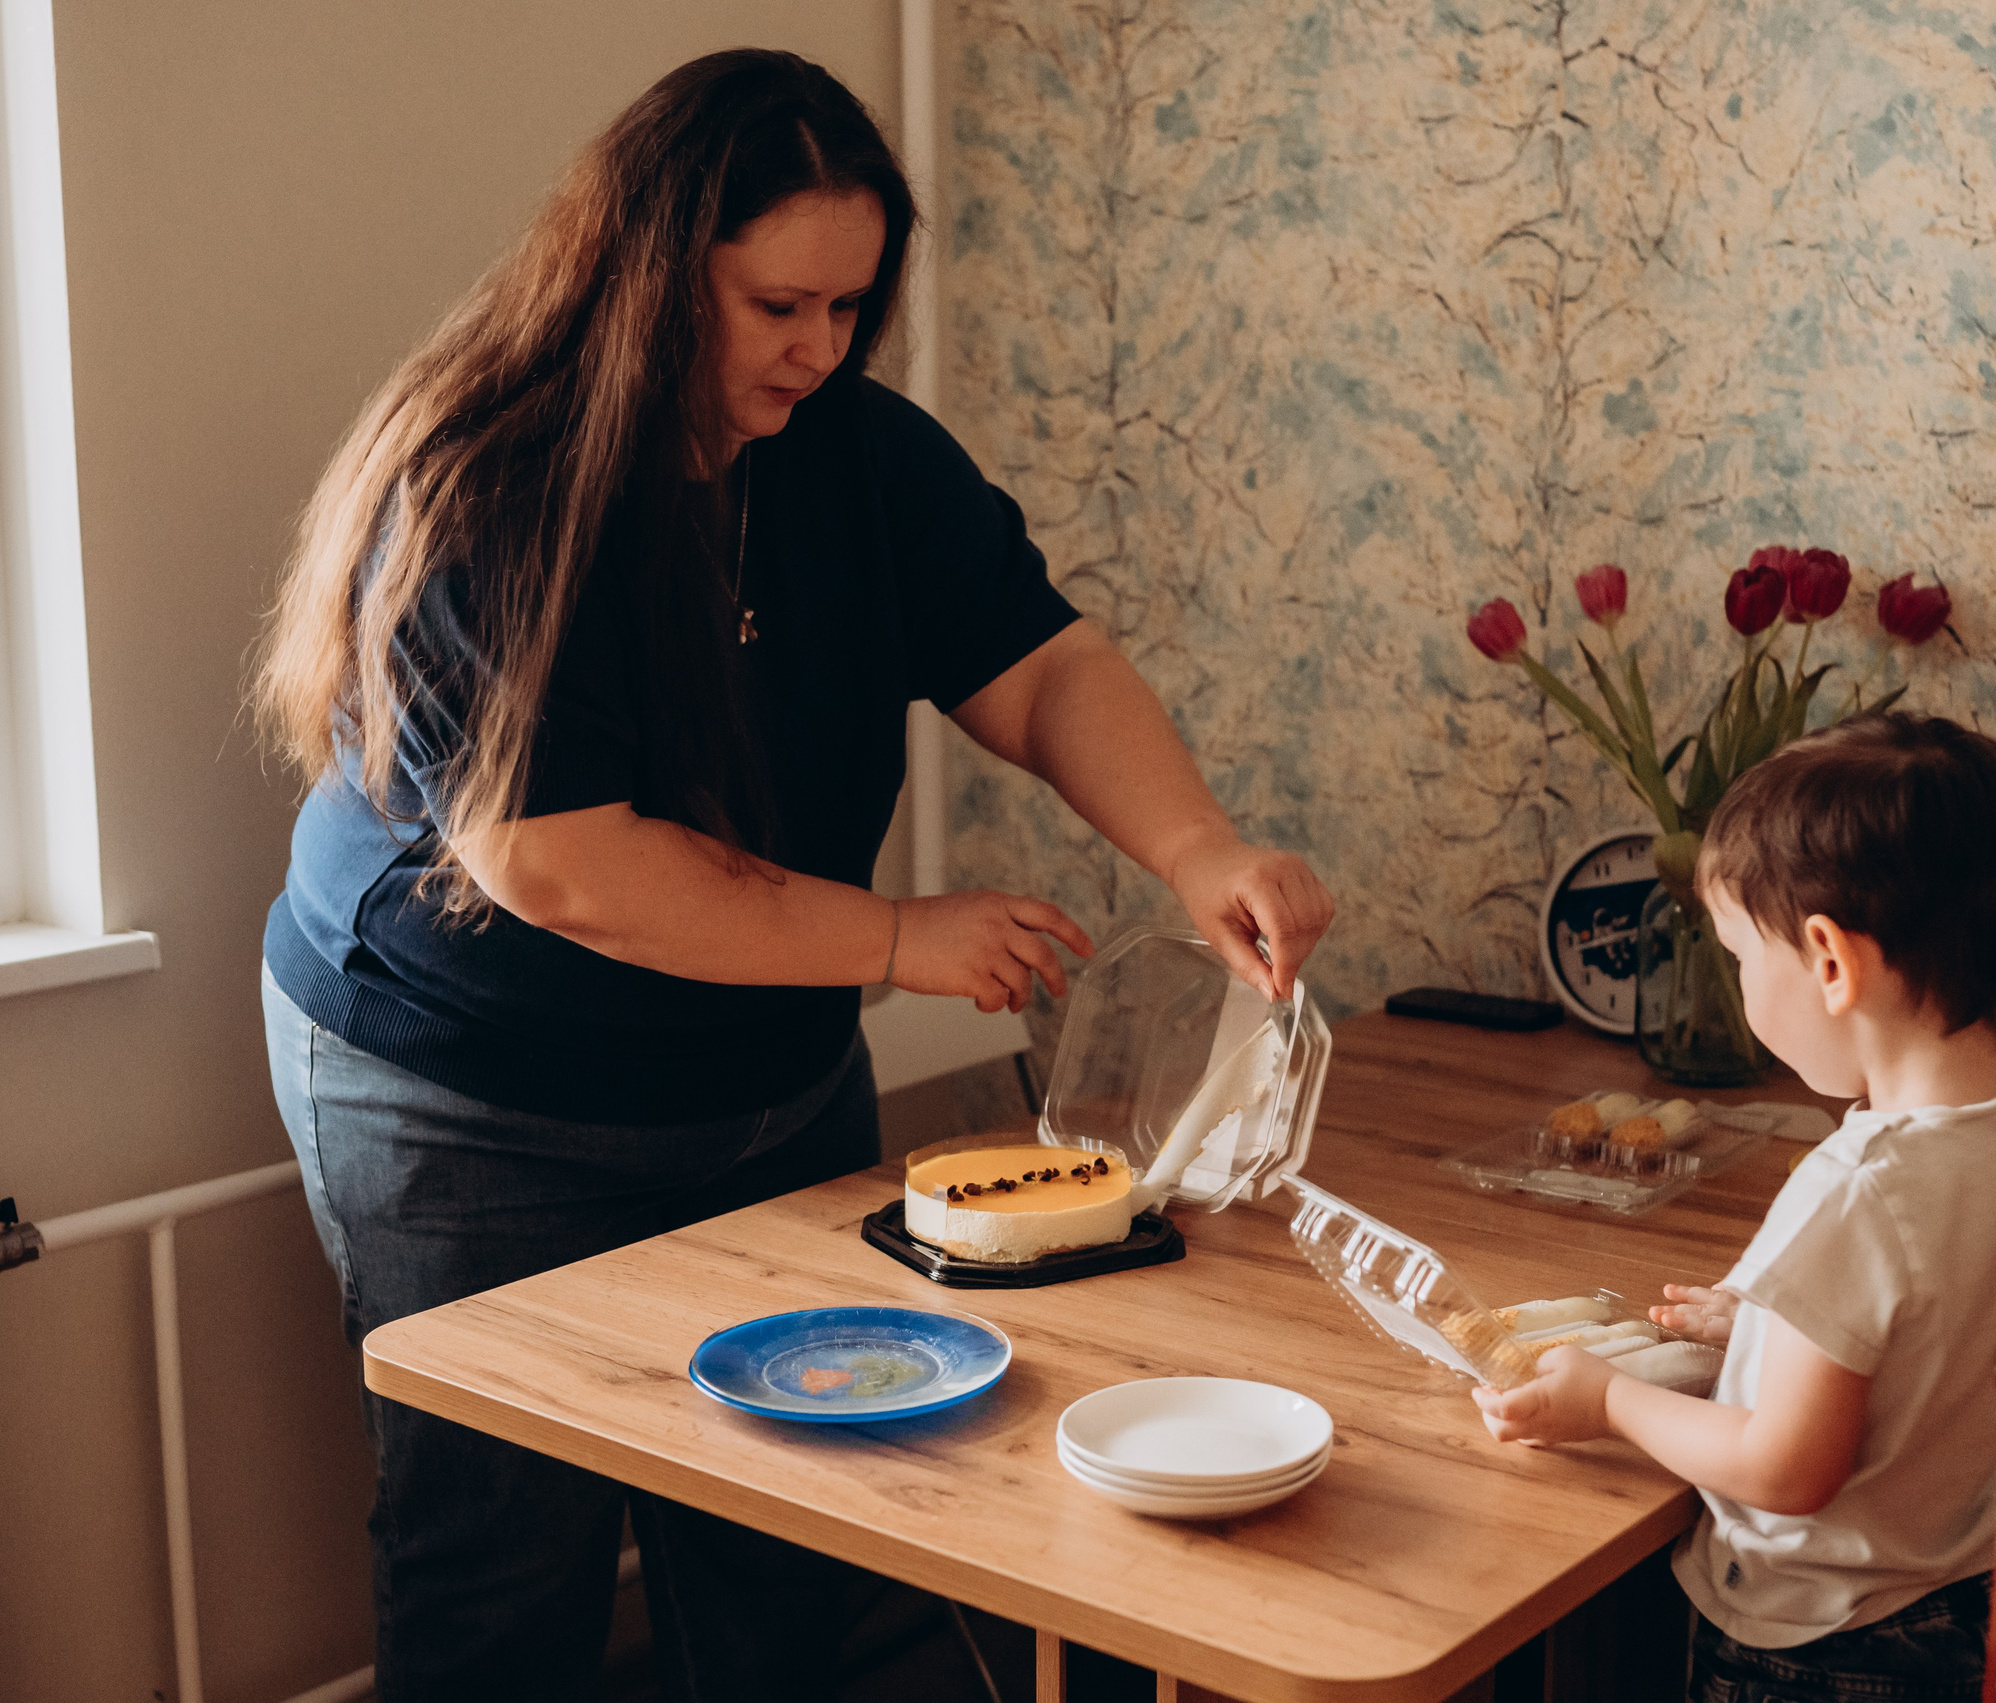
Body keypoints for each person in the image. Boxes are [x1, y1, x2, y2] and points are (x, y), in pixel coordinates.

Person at [252, 50, 1333, 1702]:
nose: (821, 350)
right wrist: (900, 934)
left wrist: (1199, 847)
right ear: (646, 270)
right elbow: (567, 867)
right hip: (470, 1082)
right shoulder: (491, 487)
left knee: (794, 1520)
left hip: (756, 1067)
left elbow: (1038, 665)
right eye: (777, 306)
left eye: (850, 306)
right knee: (502, 1561)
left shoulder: (859, 455)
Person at [1476, 714, 1996, 1703]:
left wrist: (1607, 1398)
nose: (1736, 983)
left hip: (1815, 1640)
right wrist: (1775, 1323)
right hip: (1957, 1593)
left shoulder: (1857, 1186)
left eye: (1736, 955)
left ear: (1828, 960)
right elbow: (1934, 1319)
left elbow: (1784, 1467)